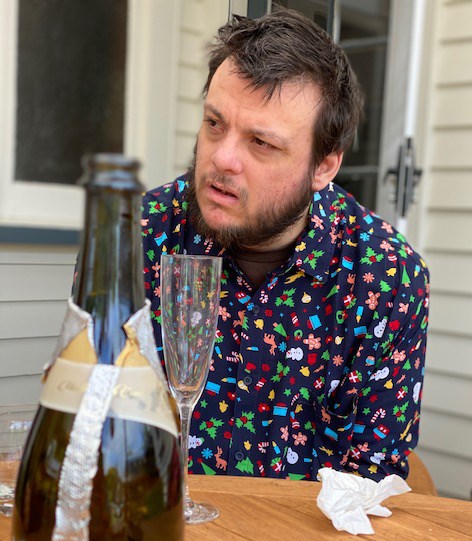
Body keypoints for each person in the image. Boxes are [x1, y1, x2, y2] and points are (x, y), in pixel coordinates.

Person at [142, 9, 429, 482]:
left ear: (324, 166)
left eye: (261, 142)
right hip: (158, 519)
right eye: (214, 123)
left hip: (307, 531)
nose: (222, 158)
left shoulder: (387, 277)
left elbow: (372, 479)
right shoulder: (139, 236)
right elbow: (92, 418)